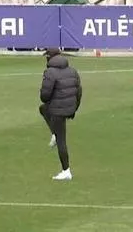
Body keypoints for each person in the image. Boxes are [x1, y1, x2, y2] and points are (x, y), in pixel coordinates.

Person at [39, 48, 82, 181]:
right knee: (43, 109)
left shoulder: (50, 72)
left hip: (58, 110)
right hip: (69, 108)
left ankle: (66, 170)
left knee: (61, 139)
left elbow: (44, 96)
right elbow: (79, 91)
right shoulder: (72, 71)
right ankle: (54, 134)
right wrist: (74, 108)